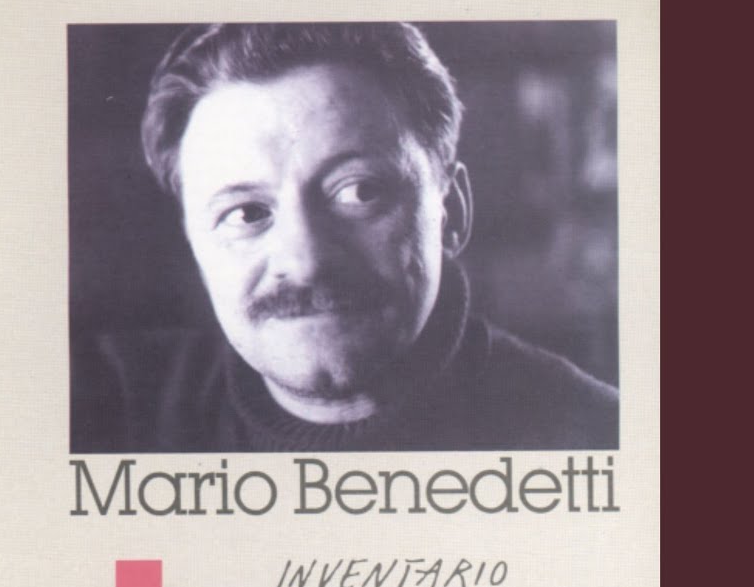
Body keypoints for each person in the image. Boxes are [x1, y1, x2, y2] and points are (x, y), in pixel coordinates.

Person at [71, 23, 617, 452]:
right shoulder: (101, 420)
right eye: (246, 213)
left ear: (450, 211)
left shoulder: (601, 440)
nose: (305, 261)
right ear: (195, 243)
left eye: (358, 192)